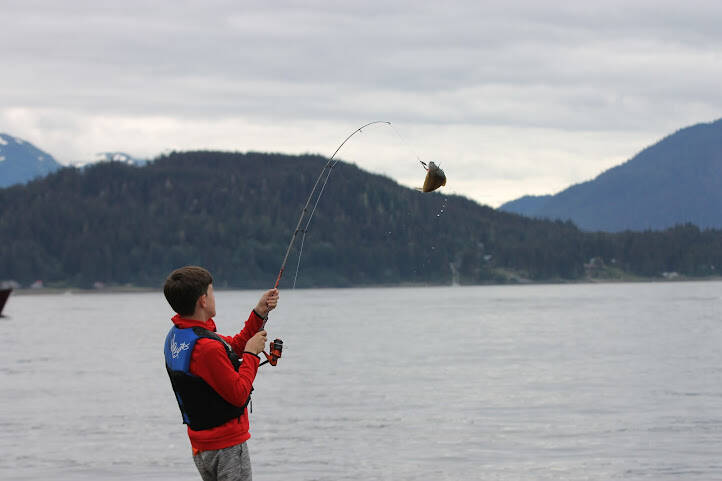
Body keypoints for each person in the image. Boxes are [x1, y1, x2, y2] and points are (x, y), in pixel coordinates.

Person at [163, 265, 279, 481]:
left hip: (202, 446)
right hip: (226, 447)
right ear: (203, 301)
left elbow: (232, 346)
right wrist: (252, 354)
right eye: (211, 291)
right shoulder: (206, 347)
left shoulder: (179, 336)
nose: (214, 296)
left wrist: (259, 312)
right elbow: (239, 394)